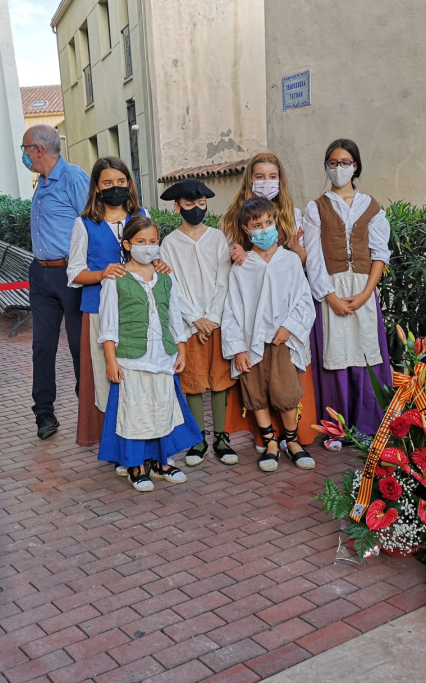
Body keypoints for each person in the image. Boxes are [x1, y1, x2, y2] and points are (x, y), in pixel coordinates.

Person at [98, 216, 201, 492]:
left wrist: (181, 351)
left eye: (153, 242)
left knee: (162, 407)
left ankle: (162, 461)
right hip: (132, 359)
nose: (148, 247)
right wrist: (111, 360)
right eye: (141, 242)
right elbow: (108, 326)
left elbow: (174, 319)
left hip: (163, 357)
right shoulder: (115, 279)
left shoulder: (165, 278)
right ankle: (135, 465)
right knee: (135, 411)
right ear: (128, 244)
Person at [304, 139, 393, 436]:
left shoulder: (373, 207)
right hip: (330, 289)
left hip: (363, 289)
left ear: (355, 166)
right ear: (327, 166)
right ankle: (335, 429)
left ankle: (368, 426)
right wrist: (330, 297)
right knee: (335, 357)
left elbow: (380, 253)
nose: (339, 168)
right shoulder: (316, 207)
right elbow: (314, 259)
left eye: (345, 162)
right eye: (333, 162)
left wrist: (367, 294)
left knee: (366, 353)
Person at [222, 198, 317, 472]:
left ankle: (292, 440)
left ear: (276, 222)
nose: (264, 229)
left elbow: (303, 300)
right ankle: (270, 442)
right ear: (247, 229)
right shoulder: (241, 266)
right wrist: (238, 348)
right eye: (257, 225)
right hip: (252, 343)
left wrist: (290, 327)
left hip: (281, 341)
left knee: (286, 393)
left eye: (268, 223)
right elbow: (232, 309)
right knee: (256, 394)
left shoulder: (289, 261)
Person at [67, 157, 146, 450]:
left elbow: (150, 253)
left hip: (138, 311)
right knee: (107, 377)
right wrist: (101, 273)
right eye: (108, 183)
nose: (116, 187)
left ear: (129, 183)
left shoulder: (141, 215)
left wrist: (159, 263)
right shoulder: (84, 223)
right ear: (97, 188)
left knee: (138, 374)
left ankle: (141, 437)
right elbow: (74, 272)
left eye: (121, 181)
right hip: (100, 311)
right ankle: (115, 445)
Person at [159, 178, 237, 467]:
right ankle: (197, 440)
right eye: (189, 204)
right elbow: (171, 285)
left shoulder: (218, 238)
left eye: (201, 204)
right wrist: (195, 318)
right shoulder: (169, 244)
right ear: (177, 206)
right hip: (188, 324)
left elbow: (224, 280)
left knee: (219, 379)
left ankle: (221, 438)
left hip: (216, 323)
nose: (196, 209)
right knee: (192, 381)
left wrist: (212, 318)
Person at [22, 125, 89, 440]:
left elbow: (93, 223)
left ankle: (88, 408)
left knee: (79, 345)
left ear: (38, 149)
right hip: (41, 274)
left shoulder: (74, 178)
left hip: (69, 273)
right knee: (42, 346)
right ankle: (44, 414)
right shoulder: (43, 182)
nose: (23, 154)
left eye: (25, 148)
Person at [220, 152, 307, 266]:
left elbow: (303, 262)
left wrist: (295, 247)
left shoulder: (292, 214)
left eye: (272, 177)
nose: (267, 182)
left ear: (280, 179)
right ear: (250, 179)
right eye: (260, 177)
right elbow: (226, 262)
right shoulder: (232, 217)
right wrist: (238, 254)